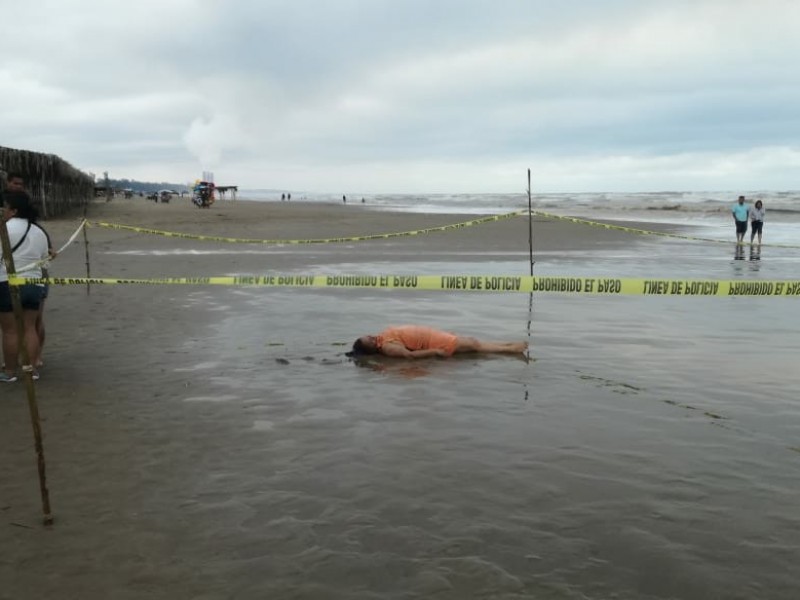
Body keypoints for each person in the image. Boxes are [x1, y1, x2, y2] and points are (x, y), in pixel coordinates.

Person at [0, 191, 50, 382]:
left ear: (13, 210)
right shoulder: (38, 231)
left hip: (7, 282)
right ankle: (31, 370)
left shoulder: (4, 229)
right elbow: (45, 262)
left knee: (10, 330)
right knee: (29, 327)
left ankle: (10, 371)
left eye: (5, 207)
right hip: (33, 284)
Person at [348, 325, 527, 359]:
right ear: (371, 348)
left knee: (474, 343)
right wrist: (434, 353)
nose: (371, 337)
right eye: (369, 340)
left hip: (436, 336)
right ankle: (511, 351)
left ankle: (508, 346)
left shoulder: (383, 335)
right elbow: (409, 355)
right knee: (474, 345)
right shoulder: (387, 347)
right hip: (437, 344)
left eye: (368, 335)